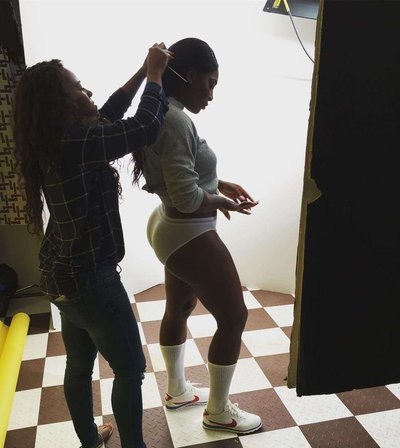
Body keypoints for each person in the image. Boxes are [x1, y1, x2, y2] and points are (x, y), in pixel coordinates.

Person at [13, 44, 173, 448]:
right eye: (79, 87)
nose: (88, 91)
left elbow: (110, 113)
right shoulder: (74, 143)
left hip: (59, 273)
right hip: (90, 280)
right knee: (130, 370)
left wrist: (142, 71)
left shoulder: (57, 140)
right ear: (60, 104)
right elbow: (144, 127)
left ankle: (89, 440)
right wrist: (156, 75)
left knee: (79, 364)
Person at [132, 37, 262, 435]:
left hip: (168, 227)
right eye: (210, 83)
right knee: (234, 316)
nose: (211, 94)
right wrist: (222, 200)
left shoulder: (162, 111)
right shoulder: (176, 120)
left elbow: (180, 173)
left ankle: (177, 391)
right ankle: (219, 412)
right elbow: (188, 198)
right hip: (188, 232)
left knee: (180, 306)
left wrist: (218, 182)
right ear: (189, 76)